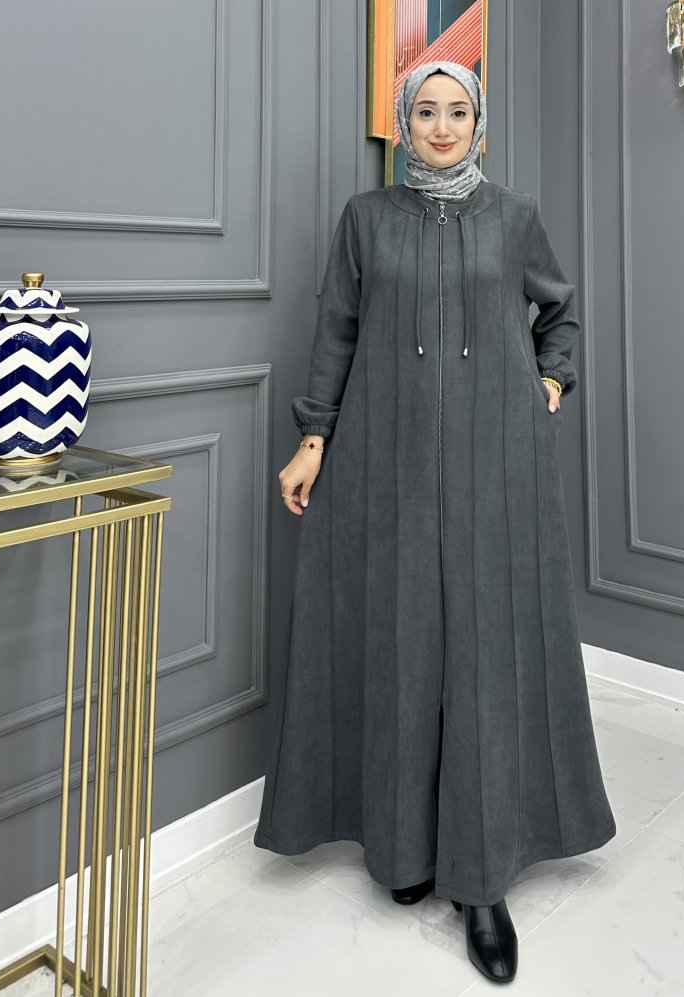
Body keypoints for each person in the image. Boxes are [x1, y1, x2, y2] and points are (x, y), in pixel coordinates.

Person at [254, 60, 615, 984]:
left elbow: (560, 312)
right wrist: (313, 440)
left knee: (485, 660)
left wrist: (548, 382)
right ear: (403, 124)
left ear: (479, 124)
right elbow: (337, 331)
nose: (443, 125)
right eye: (426, 111)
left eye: (458, 111)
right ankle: (405, 843)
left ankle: (481, 880)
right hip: (388, 465)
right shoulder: (366, 220)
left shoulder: (514, 216)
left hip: (498, 466)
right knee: (404, 647)